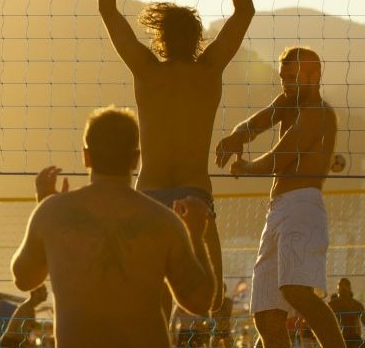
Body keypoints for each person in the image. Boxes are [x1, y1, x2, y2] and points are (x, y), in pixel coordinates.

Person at [81, 0, 254, 313]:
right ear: (196, 38)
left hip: (149, 195)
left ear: (160, 39)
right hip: (195, 196)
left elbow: (107, 9)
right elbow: (244, 12)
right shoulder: (209, 70)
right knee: (208, 300)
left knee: (148, 302)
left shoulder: (146, 70)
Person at [11, 105, 216, 346]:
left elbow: (24, 279)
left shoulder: (52, 213)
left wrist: (44, 209)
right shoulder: (164, 222)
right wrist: (195, 234)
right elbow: (199, 301)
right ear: (135, 159)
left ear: (86, 156)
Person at [215, 46, 344, 348]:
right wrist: (237, 135)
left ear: (314, 77)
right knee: (266, 314)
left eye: (293, 77)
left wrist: (246, 166)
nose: (286, 84)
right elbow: (256, 124)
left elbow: (281, 156)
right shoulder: (287, 102)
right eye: (283, 78)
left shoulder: (318, 113)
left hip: (302, 207)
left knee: (297, 292)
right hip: (277, 210)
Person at [327, 279, 365, 347]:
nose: (343, 287)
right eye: (341, 285)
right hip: (338, 339)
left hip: (354, 340)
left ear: (349, 288)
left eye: (345, 285)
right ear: (337, 288)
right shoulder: (331, 305)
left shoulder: (357, 305)